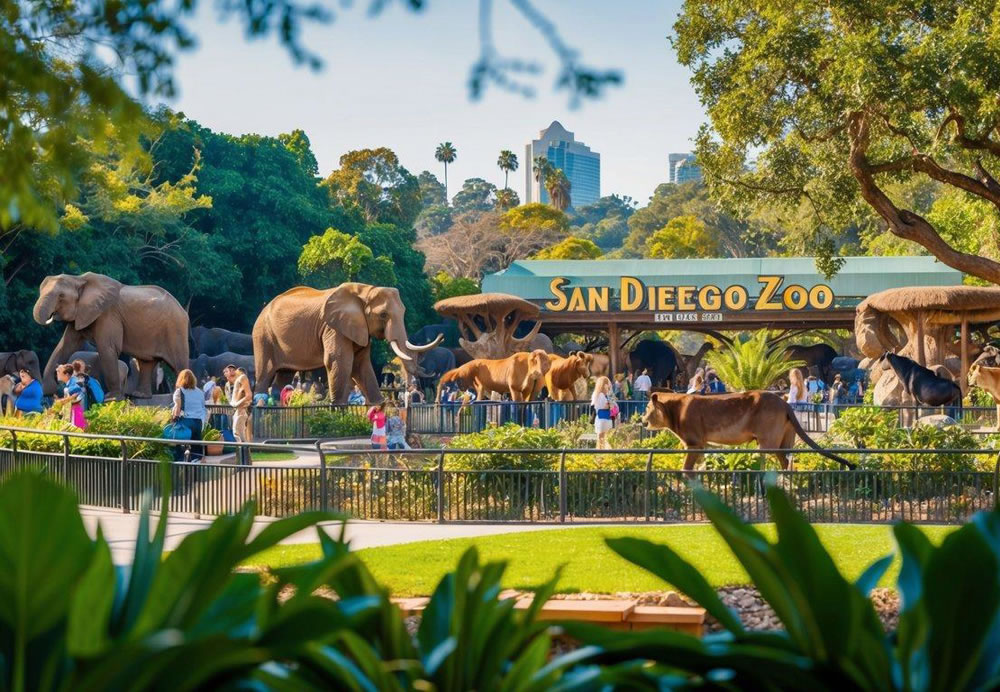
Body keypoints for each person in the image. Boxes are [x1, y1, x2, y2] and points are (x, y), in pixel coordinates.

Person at [171, 368, 207, 461]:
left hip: (186, 421)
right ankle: (196, 464)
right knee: (196, 445)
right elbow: (203, 407)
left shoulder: (179, 391)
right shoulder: (200, 392)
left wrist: (174, 419)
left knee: (179, 442)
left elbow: (178, 408)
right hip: (198, 421)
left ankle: (180, 462)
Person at [224, 365, 253, 465]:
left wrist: (237, 404)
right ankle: (244, 462)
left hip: (241, 411)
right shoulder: (236, 382)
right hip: (239, 411)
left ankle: (244, 463)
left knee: (239, 436)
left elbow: (249, 396)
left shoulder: (242, 378)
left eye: (233, 370)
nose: (232, 372)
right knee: (239, 436)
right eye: (229, 370)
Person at [54, 364, 87, 428]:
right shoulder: (70, 383)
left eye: (59, 372)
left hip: (77, 411)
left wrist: (61, 401)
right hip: (73, 412)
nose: (57, 374)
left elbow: (76, 395)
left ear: (66, 374)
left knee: (77, 429)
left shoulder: (74, 382)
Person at [591, 376, 613, 450]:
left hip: (601, 418)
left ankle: (600, 454)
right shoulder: (601, 395)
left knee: (601, 439)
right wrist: (610, 404)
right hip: (603, 418)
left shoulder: (597, 394)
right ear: (604, 385)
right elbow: (604, 407)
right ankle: (601, 455)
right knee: (602, 439)